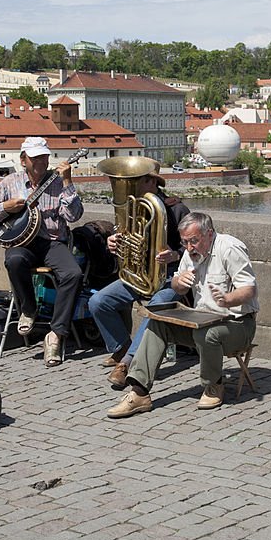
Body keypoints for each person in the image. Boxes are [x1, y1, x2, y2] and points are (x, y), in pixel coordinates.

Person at [107, 212, 258, 418]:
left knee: (207, 334)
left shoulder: (230, 248)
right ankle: (139, 392)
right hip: (202, 321)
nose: (189, 247)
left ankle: (214, 385)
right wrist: (180, 282)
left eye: (194, 241)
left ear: (209, 234)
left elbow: (249, 289)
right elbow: (177, 286)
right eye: (184, 242)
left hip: (238, 325)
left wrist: (229, 298)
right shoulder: (190, 252)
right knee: (157, 325)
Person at [0, 137, 84, 366]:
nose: (40, 162)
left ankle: (56, 334)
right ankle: (28, 308)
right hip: (21, 243)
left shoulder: (57, 182)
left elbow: (74, 216)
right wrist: (4, 207)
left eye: (44, 157)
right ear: (23, 160)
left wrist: (68, 183)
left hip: (53, 243)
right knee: (14, 261)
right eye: (35, 158)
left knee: (73, 274)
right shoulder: (9, 182)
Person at [90, 163, 190, 389]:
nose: (132, 186)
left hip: (171, 277)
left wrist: (175, 254)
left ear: (153, 182)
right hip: (139, 276)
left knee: (156, 306)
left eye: (139, 181)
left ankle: (127, 363)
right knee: (98, 301)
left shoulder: (177, 209)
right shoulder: (132, 208)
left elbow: (195, 250)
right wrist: (113, 242)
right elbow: (124, 238)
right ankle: (122, 347)